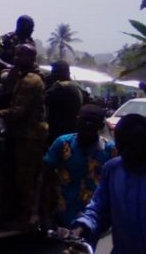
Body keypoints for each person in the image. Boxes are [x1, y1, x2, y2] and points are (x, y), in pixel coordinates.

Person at [0, 44, 48, 229]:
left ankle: (26, 220)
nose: (15, 58)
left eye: (19, 56)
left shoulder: (30, 81)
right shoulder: (23, 77)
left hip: (29, 138)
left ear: (30, 58)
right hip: (23, 135)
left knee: (25, 179)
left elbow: (18, 111)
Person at [71, 114, 146, 253]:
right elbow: (99, 208)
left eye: (132, 148)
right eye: (121, 148)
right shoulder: (112, 169)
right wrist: (81, 228)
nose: (125, 154)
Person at [39, 105, 116, 228]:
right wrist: (43, 215)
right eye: (84, 119)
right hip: (63, 213)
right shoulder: (63, 143)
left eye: (93, 121)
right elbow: (45, 179)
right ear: (77, 120)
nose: (88, 124)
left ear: (100, 126)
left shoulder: (109, 149)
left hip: (95, 216)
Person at [45, 61, 84, 144]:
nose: (52, 74)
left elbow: (42, 99)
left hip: (58, 131)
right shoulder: (77, 86)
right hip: (72, 130)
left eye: (55, 72)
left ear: (63, 73)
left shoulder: (59, 87)